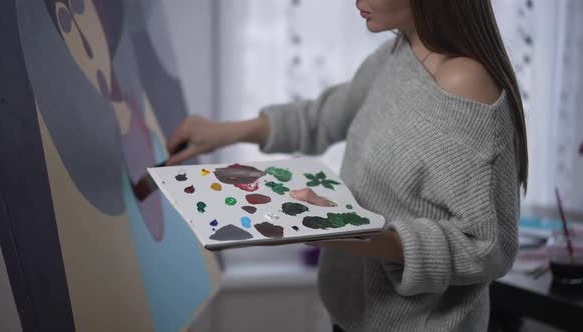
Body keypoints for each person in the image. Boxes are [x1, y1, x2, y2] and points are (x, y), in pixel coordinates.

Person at [167, 0, 527, 331]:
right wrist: (221, 133)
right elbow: (321, 117)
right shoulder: (398, 54)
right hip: (351, 319)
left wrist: (357, 231)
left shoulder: (466, 83)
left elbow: (488, 248)